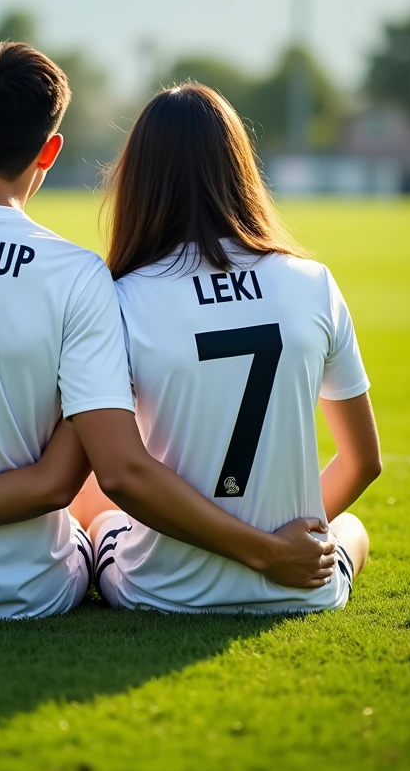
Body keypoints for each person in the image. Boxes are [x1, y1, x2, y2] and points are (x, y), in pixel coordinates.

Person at [0, 44, 335, 619]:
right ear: (50, 149)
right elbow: (57, 484)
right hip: (28, 591)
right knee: (93, 527)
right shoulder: (75, 273)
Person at [81, 83, 381, 612]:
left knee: (93, 501)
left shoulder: (122, 298)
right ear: (240, 167)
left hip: (164, 590)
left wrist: (259, 553)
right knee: (351, 527)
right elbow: (362, 462)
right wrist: (288, 549)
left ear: (139, 178)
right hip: (299, 590)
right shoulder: (312, 282)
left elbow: (122, 476)